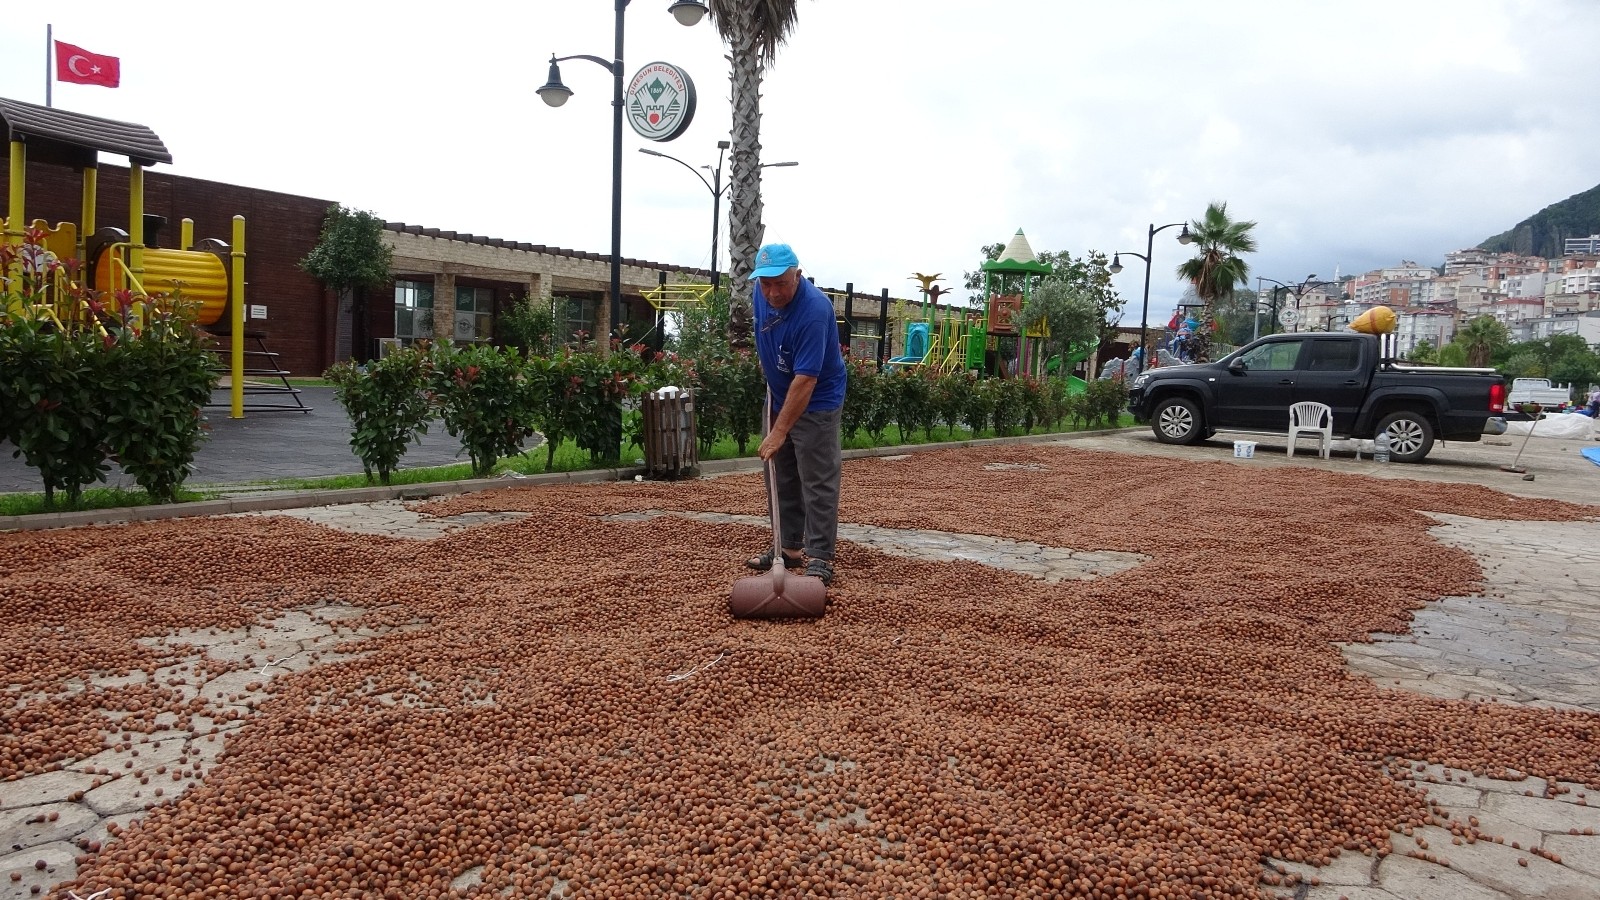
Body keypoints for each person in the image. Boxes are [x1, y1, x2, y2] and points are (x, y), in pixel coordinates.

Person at [743, 243, 848, 587]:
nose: (772, 292)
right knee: (780, 472)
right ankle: (788, 549)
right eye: (765, 284)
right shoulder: (763, 296)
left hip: (816, 398)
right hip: (779, 393)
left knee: (816, 479)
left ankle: (820, 556)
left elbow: (806, 380)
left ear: (797, 276)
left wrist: (779, 430)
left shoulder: (815, 310)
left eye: (780, 283)